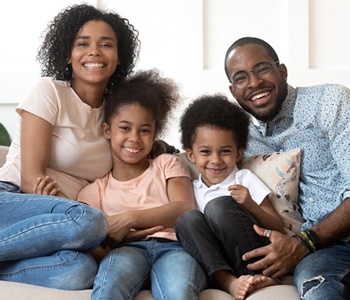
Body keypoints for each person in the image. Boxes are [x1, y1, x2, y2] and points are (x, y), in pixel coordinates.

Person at [0, 3, 144, 290]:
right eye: (83, 44)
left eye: (106, 44)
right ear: (68, 54)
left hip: (58, 225)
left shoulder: (116, 116)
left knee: (80, 271)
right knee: (92, 222)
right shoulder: (49, 91)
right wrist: (79, 218)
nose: (94, 51)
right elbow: (32, 179)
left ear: (119, 58)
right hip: (13, 201)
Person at [224, 36, 350, 299]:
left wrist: (305, 242)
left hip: (316, 241)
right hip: (328, 252)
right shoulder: (242, 139)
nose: (255, 83)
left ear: (282, 71)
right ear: (233, 91)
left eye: (262, 69)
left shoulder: (329, 101)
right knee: (315, 286)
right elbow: (201, 155)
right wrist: (159, 151)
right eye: (241, 78)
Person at [76, 69, 207, 300]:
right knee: (108, 287)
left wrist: (130, 218)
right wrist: (116, 238)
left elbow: (184, 209)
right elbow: (94, 248)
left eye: (144, 130)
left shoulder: (167, 164)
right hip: (126, 251)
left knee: (179, 292)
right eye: (125, 128)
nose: (134, 138)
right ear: (107, 130)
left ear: (155, 133)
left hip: (175, 248)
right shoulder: (93, 192)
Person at [174, 94, 284, 300]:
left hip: (249, 253)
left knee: (218, 207)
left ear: (238, 154)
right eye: (205, 152)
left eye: (225, 151)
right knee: (186, 218)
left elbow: (277, 225)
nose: (215, 160)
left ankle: (255, 276)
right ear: (191, 155)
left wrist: (250, 205)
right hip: (216, 261)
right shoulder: (191, 188)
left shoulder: (244, 178)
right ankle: (229, 282)